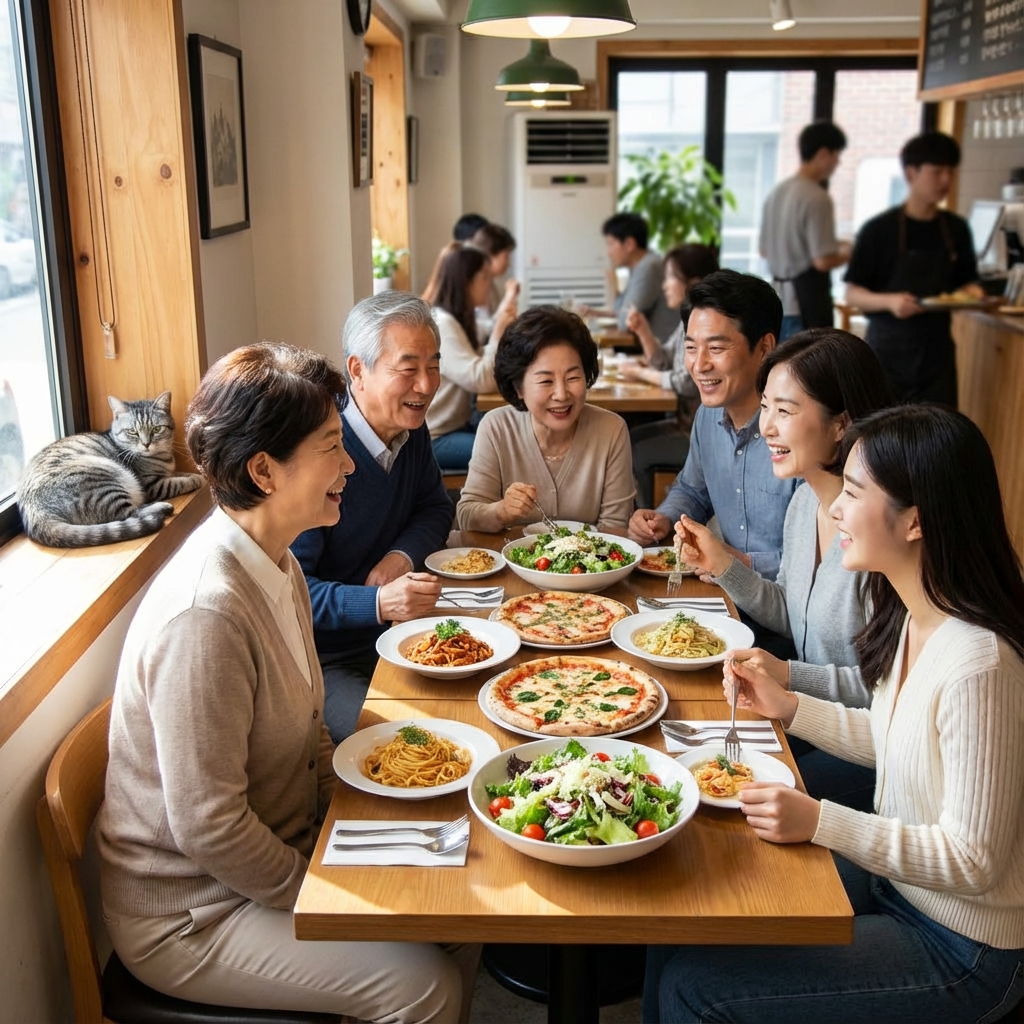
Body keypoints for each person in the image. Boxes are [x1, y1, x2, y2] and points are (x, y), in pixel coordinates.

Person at [97, 343, 478, 1022]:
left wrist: (354, 829)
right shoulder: (205, 615)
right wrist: (323, 887)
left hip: (275, 851)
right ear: (265, 470)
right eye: (333, 446)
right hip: (193, 913)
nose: (351, 466)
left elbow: (307, 738)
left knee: (455, 904)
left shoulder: (277, 565)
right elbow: (208, 827)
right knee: (423, 987)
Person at [647, 404, 1024, 1024]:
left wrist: (822, 821)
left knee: (696, 986)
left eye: (853, 492)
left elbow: (973, 860)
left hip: (962, 946)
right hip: (899, 890)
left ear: (915, 522)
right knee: (687, 909)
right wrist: (788, 706)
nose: (837, 510)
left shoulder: (978, 662)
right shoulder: (914, 616)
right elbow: (892, 738)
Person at [675, 328, 893, 810]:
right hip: (813, 718)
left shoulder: (880, 535)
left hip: (874, 753)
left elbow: (888, 696)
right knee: (688, 755)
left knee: (726, 795)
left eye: (786, 411)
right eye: (766, 406)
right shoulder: (804, 503)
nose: (766, 427)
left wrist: (790, 675)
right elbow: (794, 614)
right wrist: (724, 566)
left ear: (843, 424)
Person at [291, 293, 452, 742]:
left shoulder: (409, 429)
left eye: (434, 366)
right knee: (411, 748)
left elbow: (435, 507)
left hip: (401, 633)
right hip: (328, 659)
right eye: (408, 368)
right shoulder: (320, 455)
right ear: (358, 370)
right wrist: (378, 603)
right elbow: (293, 590)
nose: (426, 385)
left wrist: (402, 555)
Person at [628, 270, 797, 580]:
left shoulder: (799, 429)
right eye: (691, 348)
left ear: (764, 347)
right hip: (724, 588)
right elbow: (693, 489)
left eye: (717, 348)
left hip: (787, 611)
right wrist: (664, 518)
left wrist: (740, 563)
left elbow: (820, 557)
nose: (699, 364)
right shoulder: (709, 414)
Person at [456, 306, 635, 532]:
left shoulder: (611, 430)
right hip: (510, 563)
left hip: (592, 566)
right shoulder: (497, 428)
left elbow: (616, 526)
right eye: (546, 381)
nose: (561, 394)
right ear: (518, 387)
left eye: (573, 377)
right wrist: (501, 511)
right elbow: (466, 516)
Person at [844, 132, 983, 407]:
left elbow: (967, 283)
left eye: (950, 171)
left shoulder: (956, 229)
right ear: (911, 173)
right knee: (883, 435)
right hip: (888, 355)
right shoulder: (879, 230)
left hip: (937, 357)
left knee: (939, 438)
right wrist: (890, 301)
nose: (946, 180)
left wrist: (973, 294)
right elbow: (853, 294)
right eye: (937, 171)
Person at [619, 244, 719, 506]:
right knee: (625, 439)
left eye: (670, 277)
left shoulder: (699, 323)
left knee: (631, 450)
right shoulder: (686, 319)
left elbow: (684, 382)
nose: (664, 286)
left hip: (695, 433)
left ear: (692, 283)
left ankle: (650, 521)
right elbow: (664, 361)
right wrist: (642, 330)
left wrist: (640, 374)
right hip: (683, 423)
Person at [426, 245, 516, 470]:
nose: (489, 284)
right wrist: (498, 334)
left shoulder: (456, 318)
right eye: (484, 277)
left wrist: (500, 324)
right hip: (437, 437)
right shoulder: (442, 324)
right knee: (507, 450)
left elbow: (488, 330)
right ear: (466, 282)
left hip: (458, 426)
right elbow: (482, 380)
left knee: (516, 434)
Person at [760, 121, 851, 341]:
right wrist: (850, 251)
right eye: (836, 155)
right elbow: (822, 260)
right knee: (808, 371)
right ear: (822, 153)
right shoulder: (817, 197)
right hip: (806, 304)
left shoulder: (776, 193)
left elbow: (764, 250)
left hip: (777, 300)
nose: (838, 162)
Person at [578, 212, 678, 343]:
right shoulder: (638, 267)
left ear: (629, 244)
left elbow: (625, 322)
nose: (608, 251)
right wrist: (613, 283)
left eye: (611, 244)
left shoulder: (648, 268)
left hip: (662, 351)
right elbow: (620, 309)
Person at [470, 222, 520, 340]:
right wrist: (510, 296)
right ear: (490, 254)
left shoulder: (491, 283)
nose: (508, 263)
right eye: (506, 257)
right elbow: (489, 330)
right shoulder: (476, 285)